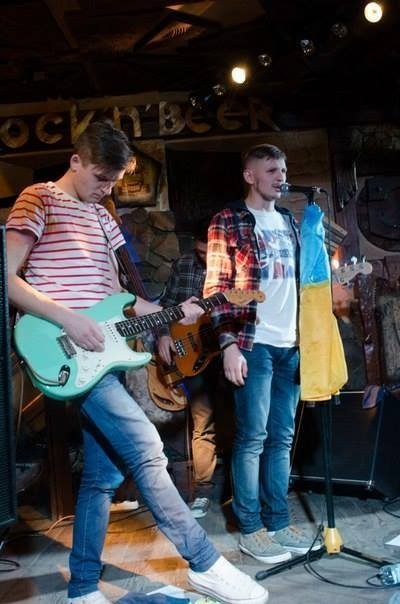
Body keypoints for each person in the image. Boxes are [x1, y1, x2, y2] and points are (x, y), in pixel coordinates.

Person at [6, 121, 268, 604]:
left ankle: (82, 589)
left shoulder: (103, 217)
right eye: (100, 177)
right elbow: (6, 278)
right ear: (76, 161)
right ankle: (205, 564)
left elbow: (118, 298)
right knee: (148, 448)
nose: (106, 189)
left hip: (104, 354)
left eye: (113, 180)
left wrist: (174, 313)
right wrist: (67, 318)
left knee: (102, 477)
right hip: (63, 347)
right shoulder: (37, 199)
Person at [203, 143, 322, 565]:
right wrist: (228, 344)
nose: (281, 176)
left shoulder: (289, 220)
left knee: (282, 438)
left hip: (290, 343)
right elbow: (217, 289)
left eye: (283, 169)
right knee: (253, 438)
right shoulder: (228, 220)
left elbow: (299, 281)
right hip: (252, 343)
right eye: (271, 170)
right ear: (250, 176)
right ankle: (250, 528)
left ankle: (278, 521)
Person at [157, 219, 218, 519]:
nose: (204, 257)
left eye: (209, 253)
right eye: (200, 252)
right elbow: (165, 306)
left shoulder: (234, 268)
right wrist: (163, 335)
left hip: (227, 354)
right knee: (202, 423)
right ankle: (203, 491)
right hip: (195, 359)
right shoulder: (184, 265)